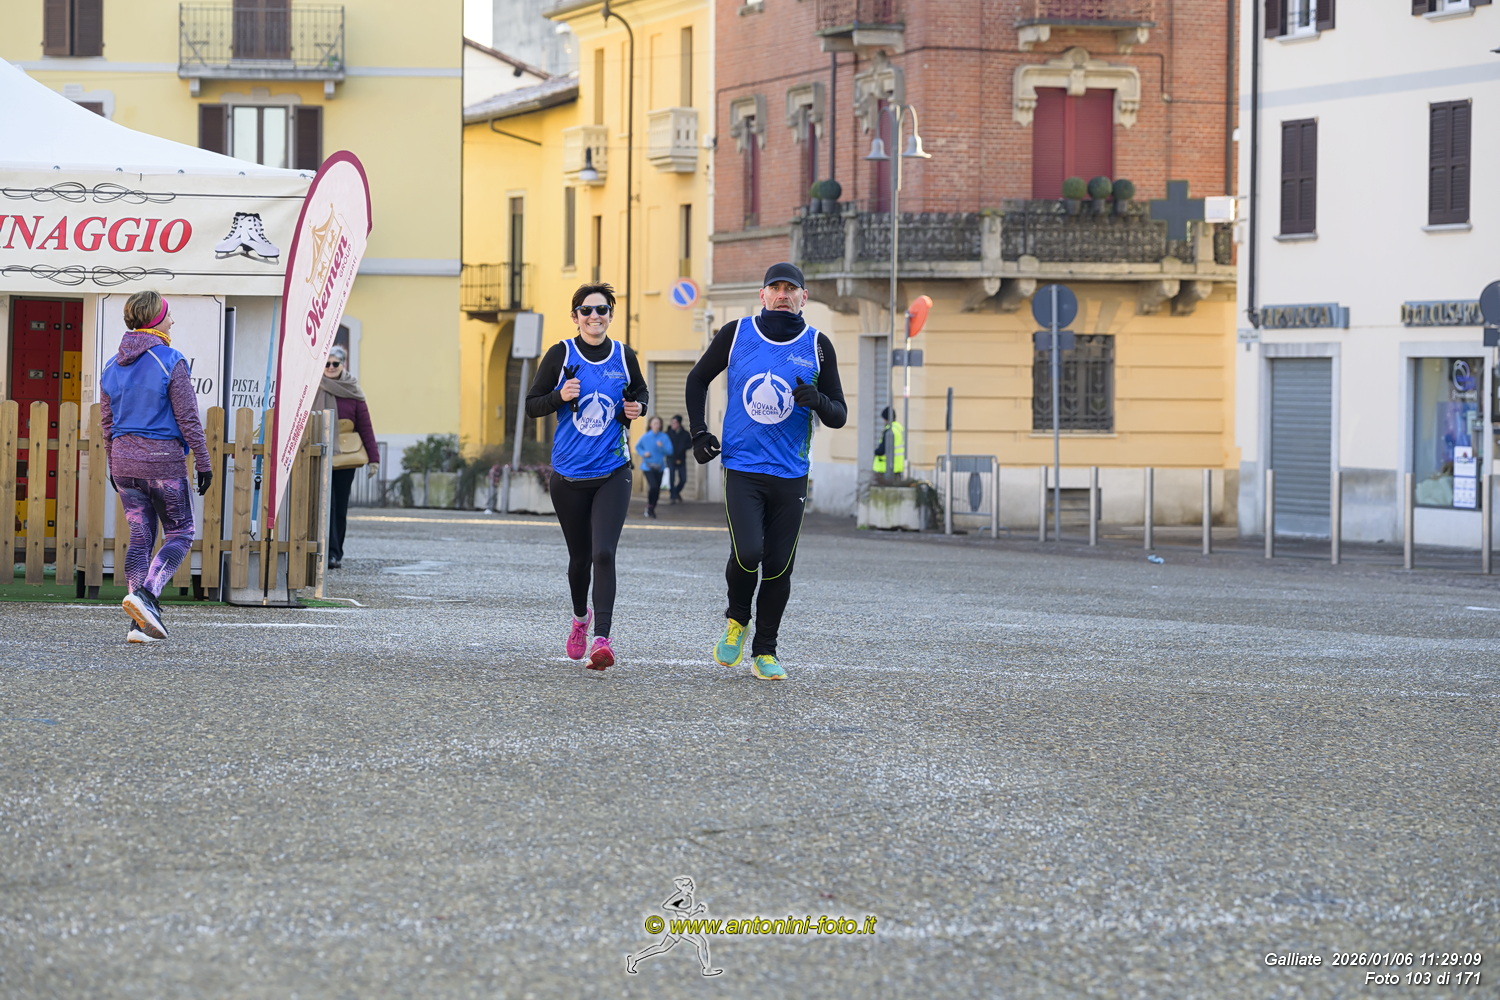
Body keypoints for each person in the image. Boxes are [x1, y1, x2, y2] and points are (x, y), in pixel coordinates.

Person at [685, 262, 846, 681]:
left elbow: (839, 414)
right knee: (748, 552)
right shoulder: (736, 333)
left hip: (791, 473)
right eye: (775, 288)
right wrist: (699, 432)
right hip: (742, 467)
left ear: (803, 298)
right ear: (763, 294)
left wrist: (818, 401)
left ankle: (765, 651)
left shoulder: (818, 345)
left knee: (778, 565)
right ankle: (737, 619)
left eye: (791, 289)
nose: (782, 295)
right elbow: (697, 379)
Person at [526, 282, 646, 671]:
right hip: (569, 476)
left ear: (611, 314)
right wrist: (559, 396)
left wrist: (637, 408)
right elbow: (532, 406)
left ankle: (602, 640)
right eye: (587, 310)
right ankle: (581, 619)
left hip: (613, 470)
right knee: (580, 560)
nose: (595, 316)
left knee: (603, 553)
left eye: (602, 309)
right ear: (575, 316)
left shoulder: (624, 355)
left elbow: (640, 393)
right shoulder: (560, 354)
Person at [99, 291, 212, 643]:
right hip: (162, 463)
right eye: (168, 315)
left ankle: (139, 626)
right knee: (181, 533)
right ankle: (147, 597)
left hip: (124, 464)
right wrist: (203, 461)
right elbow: (188, 418)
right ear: (155, 319)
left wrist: (112, 461)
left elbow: (107, 423)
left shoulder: (111, 366)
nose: (172, 321)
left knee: (140, 538)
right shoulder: (170, 360)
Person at [314, 345, 379, 569]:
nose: (331, 367)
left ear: (343, 365)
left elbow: (365, 426)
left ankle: (334, 553)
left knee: (339, 507)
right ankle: (320, 551)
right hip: (318, 454)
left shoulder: (353, 391)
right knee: (323, 505)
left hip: (345, 458)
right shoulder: (313, 386)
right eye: (327, 363)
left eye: (335, 363)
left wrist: (374, 458)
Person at [634, 415, 673, 518]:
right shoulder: (646, 437)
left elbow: (670, 451)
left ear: (660, 425)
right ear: (650, 424)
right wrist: (644, 453)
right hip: (647, 467)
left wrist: (662, 447)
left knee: (657, 489)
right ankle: (649, 506)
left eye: (658, 423)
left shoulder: (664, 437)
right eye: (654, 423)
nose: (656, 425)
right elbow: (637, 447)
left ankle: (652, 507)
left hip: (660, 467)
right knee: (653, 486)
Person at [666, 414, 692, 504]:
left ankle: (676, 492)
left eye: (675, 423)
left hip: (681, 459)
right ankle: (672, 496)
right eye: (672, 422)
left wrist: (683, 447)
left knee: (683, 479)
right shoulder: (668, 433)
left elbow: (690, 444)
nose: (673, 424)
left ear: (679, 424)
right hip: (670, 458)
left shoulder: (685, 434)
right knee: (671, 478)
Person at [873, 405, 904, 477]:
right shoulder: (899, 428)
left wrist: (876, 451)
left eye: (884, 419)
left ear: (887, 419)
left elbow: (882, 450)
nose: (883, 421)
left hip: (885, 467)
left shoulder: (889, 430)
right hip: (898, 466)